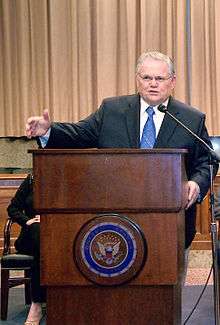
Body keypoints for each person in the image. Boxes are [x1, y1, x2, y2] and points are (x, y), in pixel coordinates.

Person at [26, 50, 218, 270]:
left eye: (159, 78)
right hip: (116, 222)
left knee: (168, 294)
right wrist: (48, 131)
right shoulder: (112, 110)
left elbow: (207, 161)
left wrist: (196, 183)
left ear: (172, 81)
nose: (152, 84)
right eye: (146, 78)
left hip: (171, 223)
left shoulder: (191, 118)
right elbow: (79, 134)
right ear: (137, 79)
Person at [7, 174, 46, 325]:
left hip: (57, 235)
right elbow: (13, 208)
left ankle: (48, 299)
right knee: (39, 234)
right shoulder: (31, 180)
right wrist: (27, 221)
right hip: (31, 237)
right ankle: (36, 303)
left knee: (46, 245)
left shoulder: (67, 180)